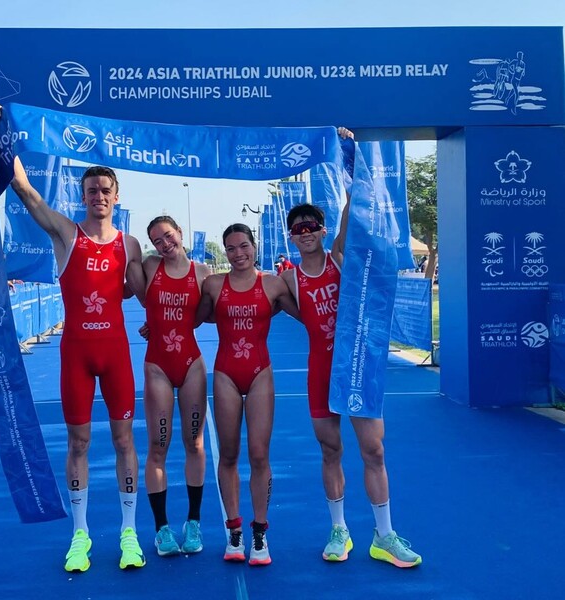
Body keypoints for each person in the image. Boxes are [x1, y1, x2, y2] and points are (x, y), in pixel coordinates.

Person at [0, 104, 148, 573]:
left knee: (123, 442)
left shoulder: (130, 244)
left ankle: (129, 532)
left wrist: (160, 320)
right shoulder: (65, 233)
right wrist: (1, 128)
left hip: (115, 353)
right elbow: (25, 190)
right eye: (92, 190)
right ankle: (80, 535)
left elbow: (145, 291)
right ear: (83, 196)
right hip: (76, 354)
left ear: (116, 197)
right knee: (78, 444)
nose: (99, 195)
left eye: (105, 190)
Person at [280, 199, 422, 568]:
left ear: (323, 230)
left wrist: (354, 157)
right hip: (320, 373)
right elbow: (243, 299)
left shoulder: (340, 258)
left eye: (312, 225)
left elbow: (351, 209)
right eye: (298, 229)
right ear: (291, 238)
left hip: (356, 369)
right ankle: (339, 529)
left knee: (374, 450)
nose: (306, 232)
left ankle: (384, 535)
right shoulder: (287, 279)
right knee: (331, 452)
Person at [196, 223, 299, 566]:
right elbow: (190, 318)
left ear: (254, 246)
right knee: (228, 455)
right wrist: (156, 323)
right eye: (231, 248)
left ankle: (260, 531)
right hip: (225, 373)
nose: (238, 253)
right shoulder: (213, 284)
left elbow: (311, 315)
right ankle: (234, 529)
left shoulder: (273, 284)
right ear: (224, 252)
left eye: (244, 246)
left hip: (260, 374)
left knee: (258, 455)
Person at [141, 216, 211, 557]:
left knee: (194, 444)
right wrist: (150, 323)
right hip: (158, 367)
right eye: (157, 240)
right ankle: (162, 528)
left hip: (191, 364)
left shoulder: (203, 273)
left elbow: (210, 313)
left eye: (168, 236)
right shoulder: (149, 266)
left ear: (180, 232)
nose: (164, 243)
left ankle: (193, 522)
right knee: (158, 446)